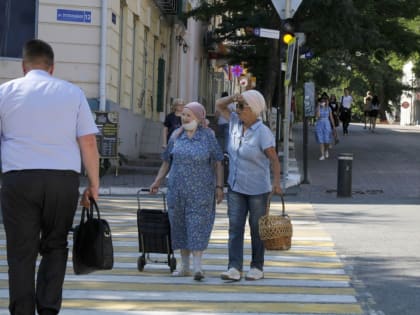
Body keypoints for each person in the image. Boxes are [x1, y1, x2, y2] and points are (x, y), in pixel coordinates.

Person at [0, 39, 100, 315]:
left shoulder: (4, 92)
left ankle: (21, 311)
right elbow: (88, 142)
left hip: (18, 179)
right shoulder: (72, 93)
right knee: (55, 245)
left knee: (21, 252)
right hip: (62, 181)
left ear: (23, 66)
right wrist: (94, 184)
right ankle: (47, 309)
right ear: (52, 67)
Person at [150, 101, 224, 281]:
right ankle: (184, 266)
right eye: (183, 115)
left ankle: (198, 267)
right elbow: (167, 161)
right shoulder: (176, 136)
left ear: (199, 118)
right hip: (177, 190)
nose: (184, 118)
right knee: (179, 225)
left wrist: (219, 187)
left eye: (188, 115)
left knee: (197, 226)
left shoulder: (208, 136)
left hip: (201, 190)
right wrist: (157, 181)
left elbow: (218, 162)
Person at [215, 90, 282, 281]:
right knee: (235, 227)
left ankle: (257, 266)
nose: (237, 110)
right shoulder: (235, 122)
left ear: (254, 109)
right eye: (237, 106)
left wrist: (276, 183)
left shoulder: (263, 133)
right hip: (235, 186)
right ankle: (234, 267)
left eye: (242, 106)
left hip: (257, 190)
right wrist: (233, 98)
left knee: (256, 228)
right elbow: (219, 106)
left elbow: (274, 160)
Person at [315, 95, 336, 160]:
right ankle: (322, 155)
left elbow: (331, 117)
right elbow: (317, 116)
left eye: (323, 101)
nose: (322, 103)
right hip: (319, 124)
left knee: (326, 140)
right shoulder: (318, 108)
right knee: (321, 140)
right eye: (321, 102)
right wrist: (318, 106)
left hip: (327, 124)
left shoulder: (328, 108)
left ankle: (326, 150)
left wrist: (334, 126)